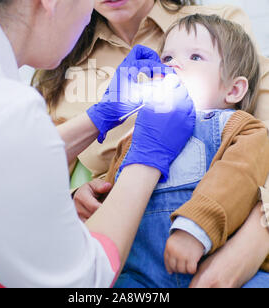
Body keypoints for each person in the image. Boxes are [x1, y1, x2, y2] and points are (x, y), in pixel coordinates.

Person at [0, 0, 196, 288]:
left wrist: (96, 119)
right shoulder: (6, 113)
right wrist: (146, 158)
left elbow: (4, 167)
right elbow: (84, 284)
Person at [34, 0, 269, 286]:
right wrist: (77, 198)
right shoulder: (56, 60)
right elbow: (30, 180)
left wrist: (250, 244)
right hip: (120, 253)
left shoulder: (219, 25)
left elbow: (259, 152)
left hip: (219, 243)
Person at [106, 14, 269, 288]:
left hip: (225, 267)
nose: (174, 65)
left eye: (195, 57)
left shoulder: (242, 129)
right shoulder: (135, 134)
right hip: (140, 276)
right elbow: (117, 193)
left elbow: (237, 178)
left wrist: (196, 228)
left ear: (234, 89)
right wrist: (94, 195)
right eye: (167, 58)